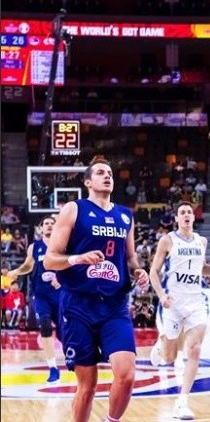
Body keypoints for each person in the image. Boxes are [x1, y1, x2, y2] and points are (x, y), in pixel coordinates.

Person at [44, 159, 149, 422]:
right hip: (78, 305)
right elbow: (49, 259)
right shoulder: (73, 209)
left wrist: (138, 271)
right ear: (88, 182)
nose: (107, 176)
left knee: (126, 376)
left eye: (110, 173)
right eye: (101, 172)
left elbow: (131, 257)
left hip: (114, 305)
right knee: (87, 386)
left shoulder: (126, 215)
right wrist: (76, 259)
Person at [148, 201, 210, 419]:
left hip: (196, 301)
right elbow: (153, 272)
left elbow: (202, 269)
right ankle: (161, 345)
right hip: (173, 302)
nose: (186, 215)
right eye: (182, 213)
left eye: (189, 212)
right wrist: (161, 295)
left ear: (193, 218)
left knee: (194, 348)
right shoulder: (167, 240)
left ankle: (182, 401)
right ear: (176, 219)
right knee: (169, 356)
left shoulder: (201, 241)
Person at [8, 216, 63, 382]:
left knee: (64, 333)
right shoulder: (35, 247)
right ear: (41, 229)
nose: (49, 226)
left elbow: (72, 266)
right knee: (45, 326)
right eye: (46, 224)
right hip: (41, 295)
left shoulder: (63, 245)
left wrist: (60, 279)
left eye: (52, 223)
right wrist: (16, 271)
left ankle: (74, 357)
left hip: (60, 295)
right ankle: (53, 367)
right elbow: (28, 265)